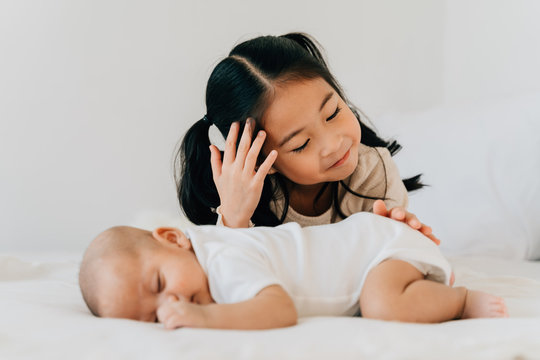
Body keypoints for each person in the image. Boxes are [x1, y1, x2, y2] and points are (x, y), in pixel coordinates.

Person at [176, 32, 438, 244]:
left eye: (333, 112)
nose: (333, 144)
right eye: (300, 144)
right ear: (260, 161)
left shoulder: (372, 170)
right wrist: (234, 218)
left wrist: (403, 241)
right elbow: (229, 278)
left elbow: (393, 263)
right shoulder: (248, 197)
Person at [79, 213, 508, 330]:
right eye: (151, 316)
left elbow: (278, 309)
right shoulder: (208, 257)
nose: (170, 304)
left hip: (379, 250)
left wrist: (205, 318)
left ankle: (460, 300)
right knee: (378, 302)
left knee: (383, 305)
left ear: (174, 239)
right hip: (373, 244)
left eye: (159, 285)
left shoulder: (221, 259)